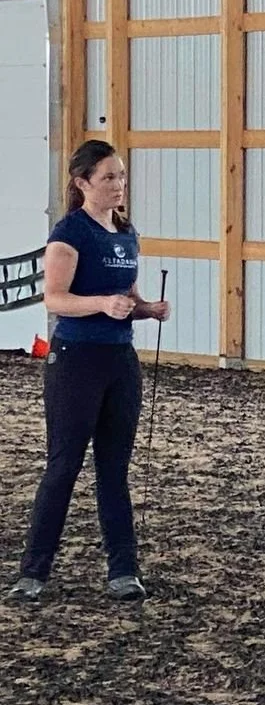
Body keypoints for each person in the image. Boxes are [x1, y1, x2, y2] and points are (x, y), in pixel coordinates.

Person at [8, 140, 171, 604]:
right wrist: (102, 303)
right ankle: (34, 572)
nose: (119, 185)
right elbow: (55, 299)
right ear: (82, 184)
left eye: (120, 176)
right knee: (63, 466)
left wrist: (147, 309)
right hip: (76, 360)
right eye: (108, 178)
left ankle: (123, 569)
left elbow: (127, 297)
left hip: (119, 361)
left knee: (114, 469)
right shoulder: (69, 234)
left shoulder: (125, 233)